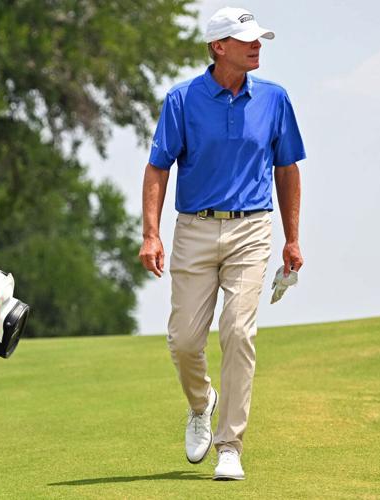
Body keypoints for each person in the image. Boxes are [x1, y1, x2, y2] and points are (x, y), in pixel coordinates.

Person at [139, 7, 305, 481]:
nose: (257, 45)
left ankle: (230, 445)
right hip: (193, 228)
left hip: (252, 229)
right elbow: (157, 167)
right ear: (218, 47)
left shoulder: (275, 99)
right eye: (247, 39)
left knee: (238, 332)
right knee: (184, 340)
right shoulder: (182, 99)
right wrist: (151, 233)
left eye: (259, 39)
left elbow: (287, 167)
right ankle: (200, 404)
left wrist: (293, 239)